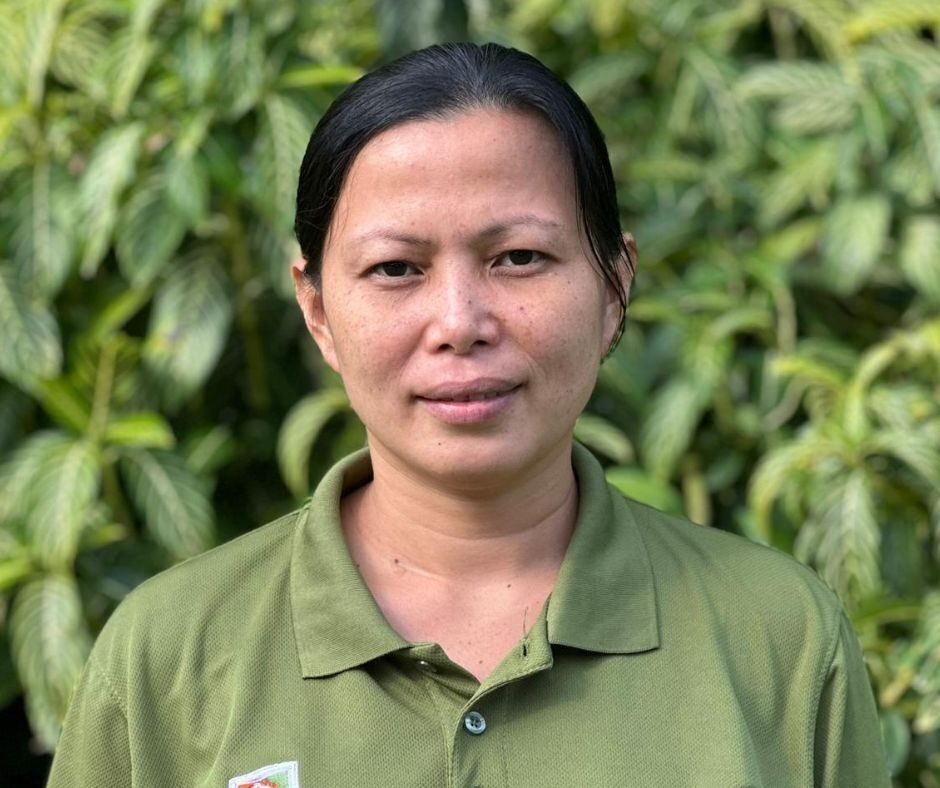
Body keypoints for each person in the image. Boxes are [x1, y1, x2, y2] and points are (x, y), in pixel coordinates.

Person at [48, 42, 890, 787]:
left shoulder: (778, 638)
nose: (459, 322)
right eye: (394, 269)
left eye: (518, 257)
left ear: (614, 287)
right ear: (316, 310)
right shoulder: (167, 657)